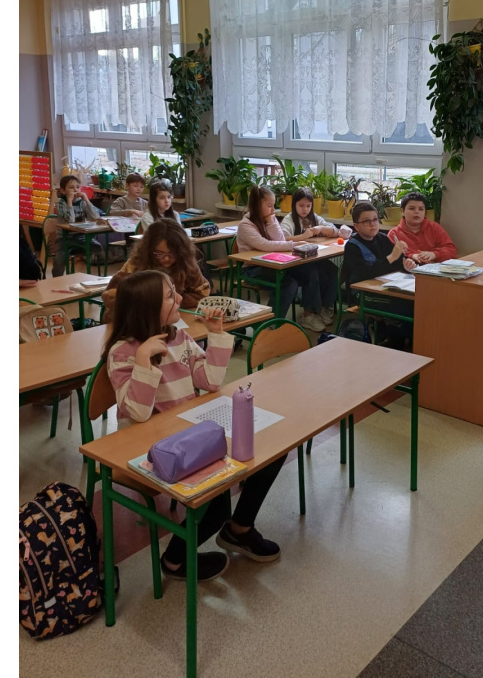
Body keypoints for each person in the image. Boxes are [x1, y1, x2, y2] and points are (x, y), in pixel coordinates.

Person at [103, 270, 285, 580]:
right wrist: (144, 360)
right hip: (151, 447)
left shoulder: (179, 336)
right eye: (169, 295)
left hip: (188, 430)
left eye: (174, 290)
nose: (179, 298)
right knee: (216, 505)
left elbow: (210, 382)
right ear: (147, 308)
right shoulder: (122, 353)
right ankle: (175, 560)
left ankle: (239, 529)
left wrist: (216, 333)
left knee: (271, 451)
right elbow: (138, 414)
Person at [100, 217, 213, 323]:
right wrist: (153, 305)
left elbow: (202, 292)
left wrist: (171, 303)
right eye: (159, 253)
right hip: (138, 322)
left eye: (172, 253)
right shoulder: (137, 264)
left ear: (182, 251)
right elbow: (111, 296)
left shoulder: (186, 263)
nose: (166, 258)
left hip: (171, 319)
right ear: (149, 250)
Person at [279, 188, 351, 331]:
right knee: (312, 273)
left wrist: (321, 228)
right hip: (293, 262)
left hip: (311, 258)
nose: (305, 209)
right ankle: (308, 314)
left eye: (308, 206)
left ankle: (325, 307)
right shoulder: (289, 219)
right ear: (294, 204)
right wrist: (302, 237)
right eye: (301, 205)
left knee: (331, 269)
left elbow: (335, 231)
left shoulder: (314, 217)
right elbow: (282, 239)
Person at [235, 187, 313, 319]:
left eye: (273, 205)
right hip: (252, 268)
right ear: (257, 205)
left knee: (309, 272)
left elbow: (280, 240)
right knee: (288, 285)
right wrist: (294, 244)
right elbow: (265, 245)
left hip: (273, 263)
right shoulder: (245, 225)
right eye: (269, 205)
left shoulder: (270, 218)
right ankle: (271, 323)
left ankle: (310, 315)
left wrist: (271, 222)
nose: (273, 210)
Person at [341, 201, 415, 324]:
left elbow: (397, 263)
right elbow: (365, 273)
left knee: (414, 301)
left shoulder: (382, 238)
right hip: (363, 294)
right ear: (356, 226)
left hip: (384, 287)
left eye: (375, 219)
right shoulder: (352, 246)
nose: (372, 224)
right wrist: (392, 257)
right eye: (366, 221)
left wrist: (406, 265)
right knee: (407, 306)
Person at [47, 175, 102, 277]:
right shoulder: (60, 203)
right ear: (63, 191)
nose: (76, 190)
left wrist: (87, 200)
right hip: (64, 238)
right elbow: (71, 221)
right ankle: (56, 279)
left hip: (80, 236)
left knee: (97, 247)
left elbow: (96, 217)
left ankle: (84, 272)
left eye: (77, 187)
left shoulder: (82, 202)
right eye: (71, 187)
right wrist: (69, 202)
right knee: (60, 258)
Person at [387, 192, 456, 264]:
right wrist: (411, 256)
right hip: (406, 269)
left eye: (421, 209)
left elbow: (451, 249)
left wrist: (435, 254)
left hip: (433, 268)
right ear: (402, 211)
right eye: (412, 208)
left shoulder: (435, 228)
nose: (417, 212)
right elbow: (390, 257)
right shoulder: (394, 233)